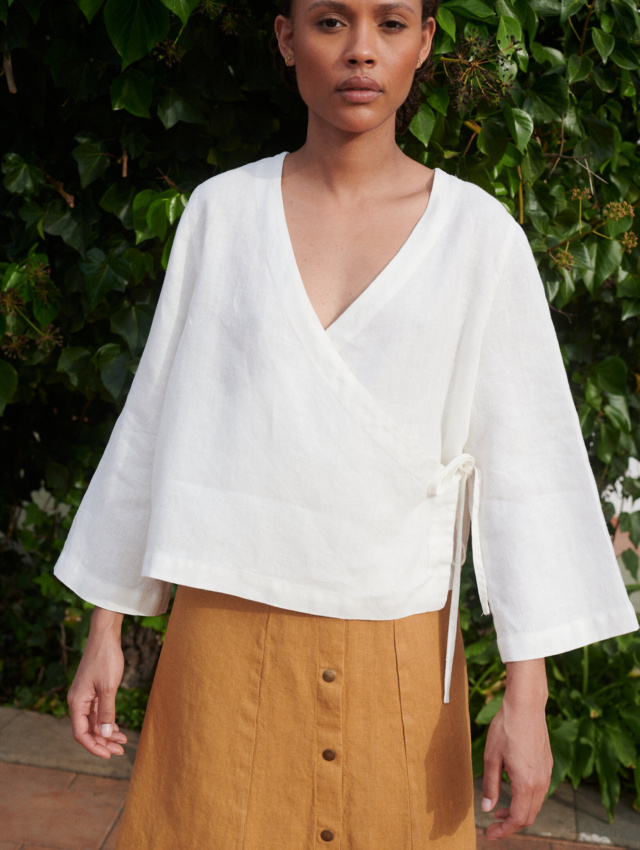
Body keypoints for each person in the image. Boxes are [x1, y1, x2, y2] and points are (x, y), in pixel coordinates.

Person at [54, 1, 639, 847]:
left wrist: (528, 695)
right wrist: (105, 628)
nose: (361, 50)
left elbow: (526, 469)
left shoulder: (481, 237)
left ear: (425, 42)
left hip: (397, 657)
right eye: (331, 21)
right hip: (221, 643)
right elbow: (156, 420)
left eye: (391, 24)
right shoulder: (223, 213)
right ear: (286, 35)